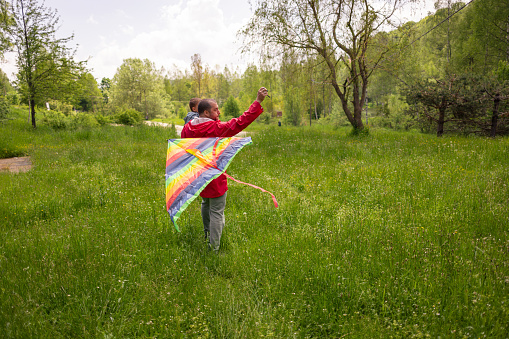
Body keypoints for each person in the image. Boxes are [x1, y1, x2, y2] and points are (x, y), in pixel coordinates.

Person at [181, 87, 268, 252]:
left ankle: (207, 235)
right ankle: (213, 248)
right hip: (214, 177)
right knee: (216, 211)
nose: (219, 112)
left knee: (205, 203)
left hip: (197, 175)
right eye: (215, 110)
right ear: (206, 113)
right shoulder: (215, 128)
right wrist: (257, 102)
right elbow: (241, 121)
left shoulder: (187, 128)